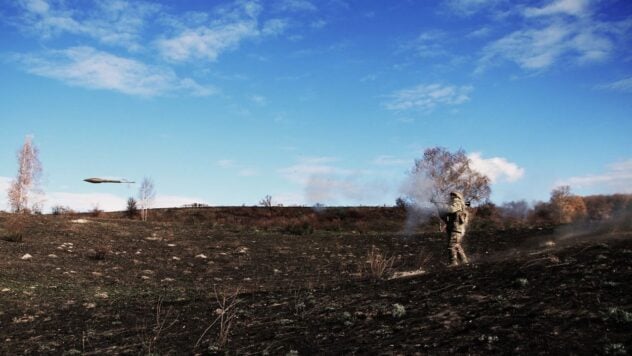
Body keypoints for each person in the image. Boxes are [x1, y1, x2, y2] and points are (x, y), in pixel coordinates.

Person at [437, 191, 469, 266]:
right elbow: (444, 216)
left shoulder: (457, 202)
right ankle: (464, 262)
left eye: (452, 195)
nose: (450, 197)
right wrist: (439, 207)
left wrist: (442, 206)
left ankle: (453, 263)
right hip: (454, 228)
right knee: (456, 245)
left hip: (456, 229)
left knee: (451, 245)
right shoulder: (454, 204)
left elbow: (451, 210)